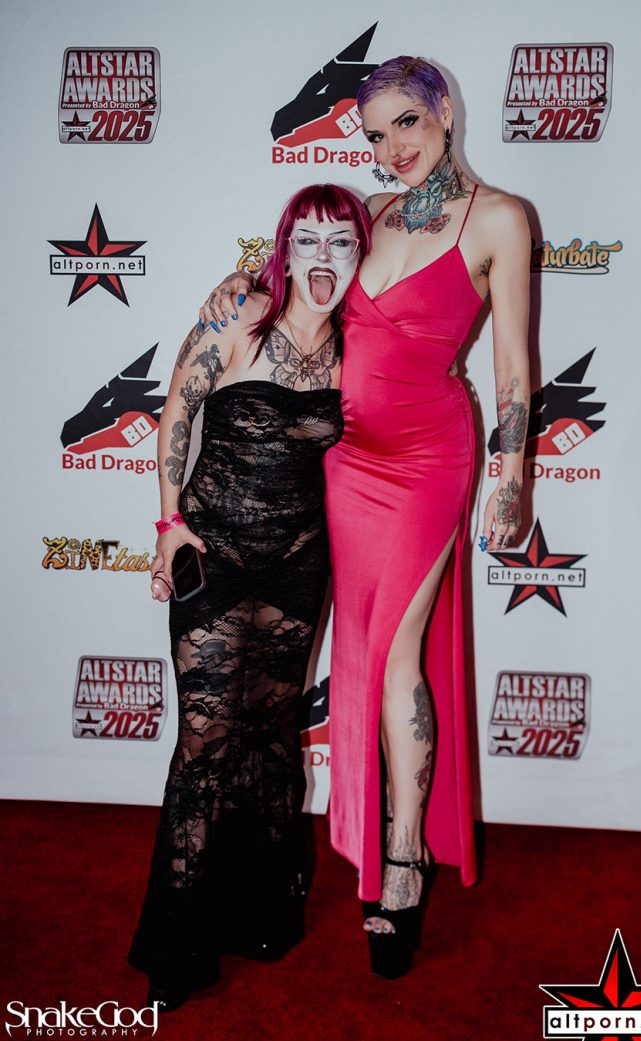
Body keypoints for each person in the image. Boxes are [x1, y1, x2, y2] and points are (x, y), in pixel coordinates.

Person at [200, 56, 531, 979]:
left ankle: (406, 856)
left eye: (405, 124)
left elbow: (513, 364)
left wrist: (512, 476)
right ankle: (371, 833)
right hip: (342, 463)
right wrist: (242, 286)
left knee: (395, 657)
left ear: (444, 110)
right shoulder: (371, 214)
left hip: (429, 461)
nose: (392, 148)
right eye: (376, 135)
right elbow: (303, 290)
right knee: (357, 653)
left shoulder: (499, 218)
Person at [127, 184, 371, 1011]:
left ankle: (262, 914)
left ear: (359, 254)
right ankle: (177, 946)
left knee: (270, 737)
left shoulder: (358, 347)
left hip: (300, 563)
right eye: (308, 239)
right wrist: (168, 523)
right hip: (214, 555)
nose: (324, 256)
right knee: (205, 742)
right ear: (284, 249)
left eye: (342, 241)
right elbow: (175, 411)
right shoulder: (238, 316)